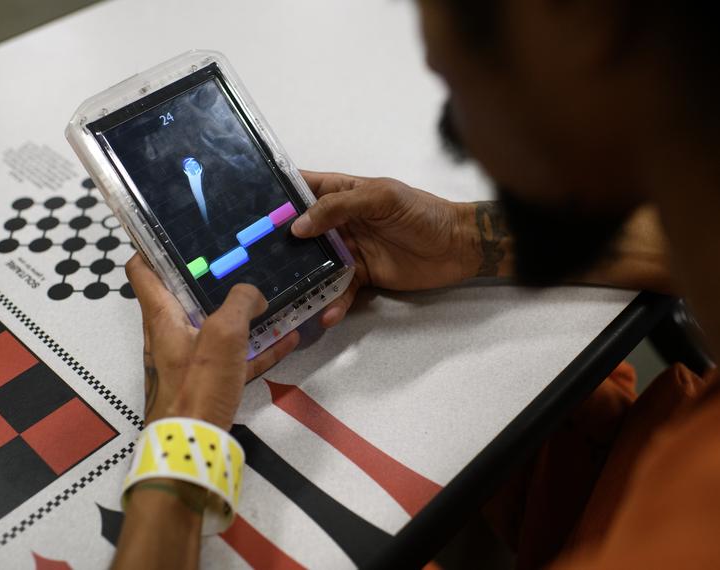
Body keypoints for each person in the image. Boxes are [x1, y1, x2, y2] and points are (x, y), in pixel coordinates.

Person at [113, 0, 720, 568]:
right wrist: (465, 238)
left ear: (583, 26)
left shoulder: (676, 539)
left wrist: (180, 434)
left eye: (455, 103)